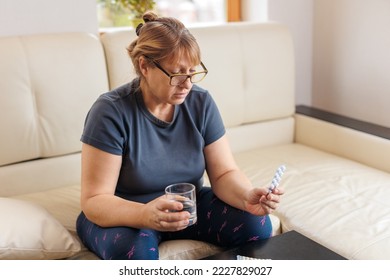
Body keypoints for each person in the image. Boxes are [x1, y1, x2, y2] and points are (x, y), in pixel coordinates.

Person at [76, 11, 284, 260]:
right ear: (145, 66)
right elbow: (95, 200)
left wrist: (246, 195)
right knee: (134, 254)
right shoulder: (110, 111)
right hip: (126, 213)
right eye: (176, 73)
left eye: (192, 72)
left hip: (188, 208)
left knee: (257, 225)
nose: (187, 83)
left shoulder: (201, 102)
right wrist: (145, 214)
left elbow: (224, 173)